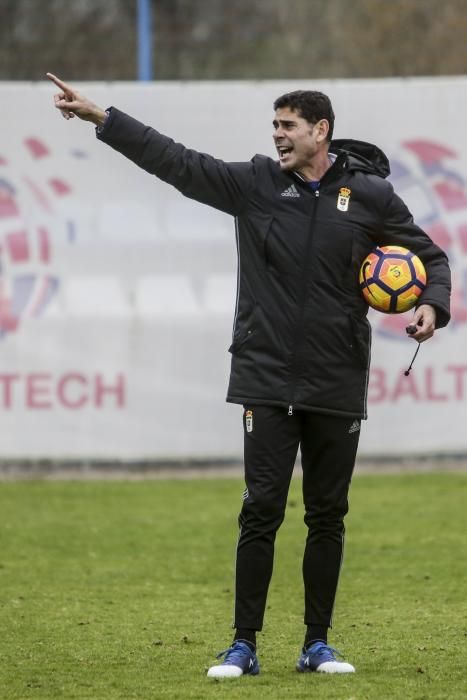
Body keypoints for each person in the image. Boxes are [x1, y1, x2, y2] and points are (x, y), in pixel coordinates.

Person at [47, 73, 451, 678]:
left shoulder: (369, 196)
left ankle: (317, 644)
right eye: (275, 126)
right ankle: (243, 645)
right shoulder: (256, 183)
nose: (278, 135)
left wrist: (431, 305)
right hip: (265, 376)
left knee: (327, 513)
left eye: (288, 126)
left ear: (322, 131)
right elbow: (177, 163)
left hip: (337, 376)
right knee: (260, 509)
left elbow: (431, 258)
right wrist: (104, 119)